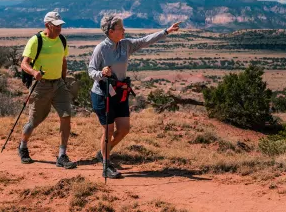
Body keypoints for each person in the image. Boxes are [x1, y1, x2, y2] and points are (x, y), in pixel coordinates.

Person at [89, 15, 181, 179]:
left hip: (120, 92)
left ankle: (103, 152)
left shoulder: (126, 45)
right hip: (102, 94)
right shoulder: (101, 49)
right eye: (120, 28)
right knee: (109, 129)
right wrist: (101, 73)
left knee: (124, 129)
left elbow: (145, 40)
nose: (124, 30)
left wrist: (166, 31)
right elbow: (91, 72)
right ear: (111, 31)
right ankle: (106, 164)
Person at [18, 11, 77, 169]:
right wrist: (33, 72)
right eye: (56, 26)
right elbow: (24, 63)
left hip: (58, 84)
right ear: (47, 25)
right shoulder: (36, 40)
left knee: (66, 116)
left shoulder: (62, 40)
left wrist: (64, 80)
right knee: (34, 121)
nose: (59, 29)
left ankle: (62, 155)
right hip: (41, 86)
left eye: (60, 25)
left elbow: (63, 61)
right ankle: (23, 146)